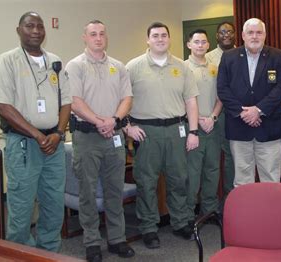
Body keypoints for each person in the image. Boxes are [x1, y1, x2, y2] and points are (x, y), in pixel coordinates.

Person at [0, 11, 70, 252]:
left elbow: (67, 102)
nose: (35, 31)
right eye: (30, 26)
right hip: (23, 145)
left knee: (53, 204)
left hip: (54, 143)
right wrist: (37, 135)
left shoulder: (55, 61)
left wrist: (59, 134)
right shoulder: (7, 60)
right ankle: (21, 254)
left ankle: (49, 253)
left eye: (40, 26)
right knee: (21, 207)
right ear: (18, 30)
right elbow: (3, 106)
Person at [125, 22, 199, 249]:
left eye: (164, 35)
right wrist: (127, 127)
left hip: (177, 130)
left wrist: (193, 131)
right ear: (147, 40)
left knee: (179, 179)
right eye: (155, 36)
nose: (160, 39)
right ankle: (148, 227)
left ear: (169, 39)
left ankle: (180, 221)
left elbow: (191, 101)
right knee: (147, 182)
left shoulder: (182, 67)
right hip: (146, 132)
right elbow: (121, 101)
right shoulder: (133, 67)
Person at [66, 20, 134, 261]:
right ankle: (92, 242)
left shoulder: (119, 66)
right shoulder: (75, 66)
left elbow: (127, 98)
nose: (98, 38)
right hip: (86, 136)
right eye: (93, 34)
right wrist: (99, 121)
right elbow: (74, 101)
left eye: (102, 34)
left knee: (114, 190)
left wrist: (113, 120)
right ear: (84, 37)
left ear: (107, 37)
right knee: (87, 190)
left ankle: (117, 239)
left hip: (113, 135)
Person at [217, 18, 281, 186]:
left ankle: (271, 213)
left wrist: (258, 110)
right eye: (250, 32)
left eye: (259, 32)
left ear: (265, 35)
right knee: (242, 180)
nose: (255, 36)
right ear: (243, 35)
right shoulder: (229, 57)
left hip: (269, 127)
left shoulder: (277, 56)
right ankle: (246, 213)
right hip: (239, 127)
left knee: (271, 178)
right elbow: (222, 89)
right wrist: (242, 112)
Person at [185, 29, 223, 222]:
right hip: (194, 128)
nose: (200, 45)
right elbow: (182, 99)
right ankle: (189, 214)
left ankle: (209, 211)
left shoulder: (215, 67)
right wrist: (199, 119)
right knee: (193, 173)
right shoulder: (183, 68)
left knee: (212, 170)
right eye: (196, 42)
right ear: (189, 45)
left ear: (208, 45)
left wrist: (213, 118)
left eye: (203, 42)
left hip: (213, 126)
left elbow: (221, 96)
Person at [205, 21, 236, 205]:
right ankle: (210, 204)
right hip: (214, 115)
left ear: (235, 34)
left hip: (237, 114)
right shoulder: (207, 58)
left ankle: (230, 200)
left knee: (233, 157)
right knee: (213, 159)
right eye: (222, 32)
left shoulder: (243, 53)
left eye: (229, 31)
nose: (226, 35)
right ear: (216, 35)